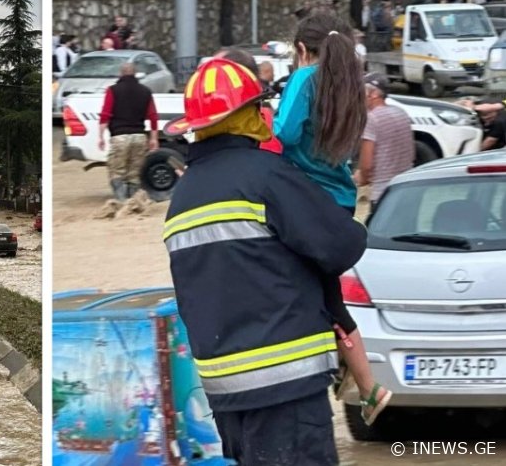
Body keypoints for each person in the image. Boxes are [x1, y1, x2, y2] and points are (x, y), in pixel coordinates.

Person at [162, 58, 368, 465]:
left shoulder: (180, 200)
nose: (264, 115)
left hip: (225, 394)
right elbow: (341, 247)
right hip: (287, 387)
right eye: (258, 108)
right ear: (243, 118)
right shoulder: (265, 176)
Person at [274, 13, 392, 425]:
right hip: (340, 201)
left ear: (302, 50)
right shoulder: (350, 87)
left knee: (316, 294)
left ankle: (367, 384)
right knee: (326, 293)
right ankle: (354, 374)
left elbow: (284, 133)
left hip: (308, 203)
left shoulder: (305, 78)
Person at [98, 62, 159, 201]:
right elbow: (153, 116)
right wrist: (153, 138)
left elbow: (105, 115)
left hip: (120, 137)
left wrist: (101, 136)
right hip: (139, 137)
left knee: (117, 172)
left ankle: (121, 201)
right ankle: (133, 203)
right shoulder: (146, 91)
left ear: (121, 73)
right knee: (134, 174)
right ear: (135, 73)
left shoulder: (112, 90)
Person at [355, 73, 415, 212]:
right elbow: (411, 153)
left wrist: (362, 178)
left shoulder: (371, 118)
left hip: (382, 193)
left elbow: (367, 164)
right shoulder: (401, 113)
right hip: (406, 187)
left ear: (374, 94)